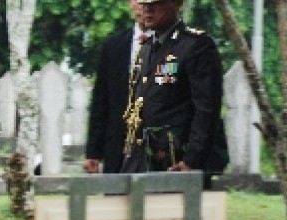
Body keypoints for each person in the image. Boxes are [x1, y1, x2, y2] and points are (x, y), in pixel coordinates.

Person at [119, 0, 227, 185]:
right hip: (141, 162)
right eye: (144, 4)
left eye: (156, 3)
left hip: (176, 163)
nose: (148, 9)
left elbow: (206, 110)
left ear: (176, 3)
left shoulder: (196, 46)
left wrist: (192, 161)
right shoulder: (146, 49)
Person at [84, 0, 150, 174]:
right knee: (116, 199)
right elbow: (101, 102)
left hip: (159, 151)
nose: (144, 6)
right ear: (130, 3)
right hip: (118, 149)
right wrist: (94, 152)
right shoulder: (112, 47)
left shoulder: (178, 45)